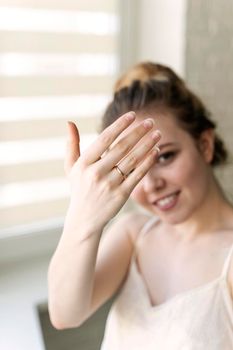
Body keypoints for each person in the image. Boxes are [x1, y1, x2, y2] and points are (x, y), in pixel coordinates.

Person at [48, 62, 233, 349]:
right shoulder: (134, 234)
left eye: (164, 157)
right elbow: (65, 314)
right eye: (134, 168)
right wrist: (82, 215)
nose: (150, 184)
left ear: (205, 145)